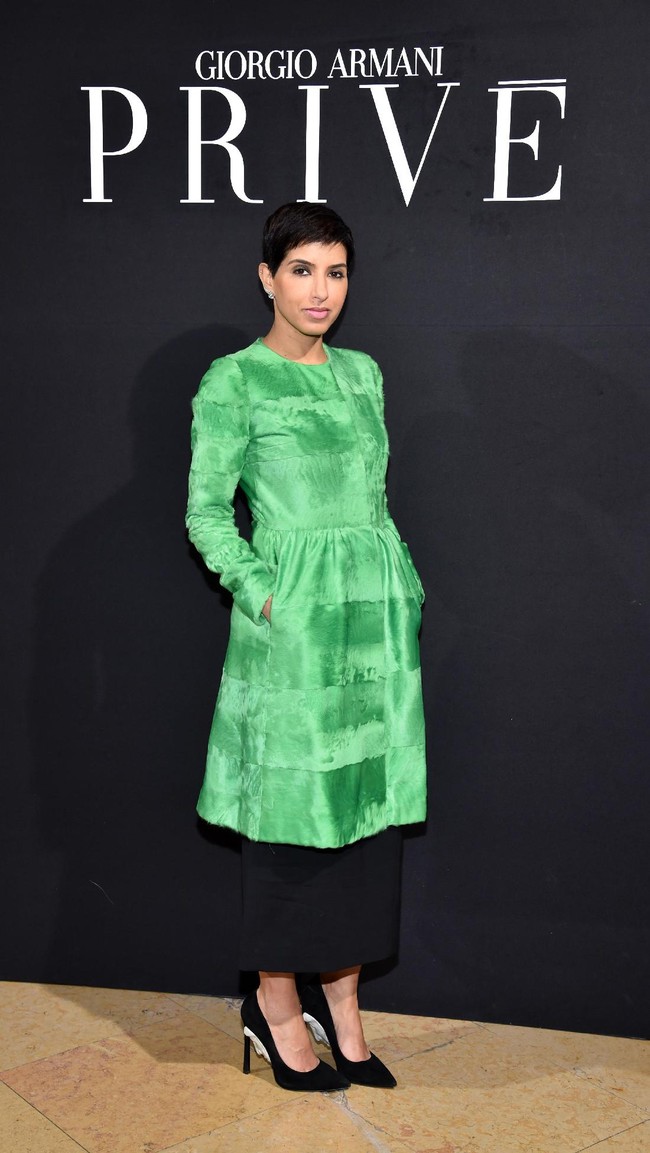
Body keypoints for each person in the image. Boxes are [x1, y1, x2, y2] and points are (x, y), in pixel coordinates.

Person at [186, 202, 427, 1092]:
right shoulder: (233, 381)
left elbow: (374, 496)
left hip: (373, 626)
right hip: (291, 633)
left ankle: (345, 1004)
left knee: (367, 821)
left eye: (335, 271)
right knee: (290, 826)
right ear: (267, 276)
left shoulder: (363, 373)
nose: (320, 290)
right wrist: (265, 593)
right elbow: (207, 513)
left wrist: (398, 578)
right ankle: (276, 1007)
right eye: (302, 270)